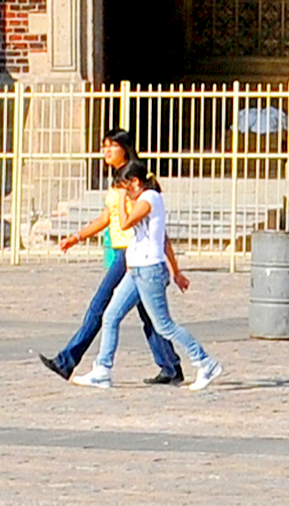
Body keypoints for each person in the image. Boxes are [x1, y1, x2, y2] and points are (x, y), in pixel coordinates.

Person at [43, 132, 183, 385]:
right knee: (150, 315)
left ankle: (68, 361)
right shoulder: (119, 181)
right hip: (124, 252)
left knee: (101, 306)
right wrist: (78, 236)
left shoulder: (134, 183)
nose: (105, 151)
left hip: (130, 253)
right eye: (103, 146)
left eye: (112, 147)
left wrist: (174, 268)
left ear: (125, 149)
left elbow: (152, 227)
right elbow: (107, 217)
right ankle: (171, 366)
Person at [73, 155, 216, 392]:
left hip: (150, 271)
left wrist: (119, 201)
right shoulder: (144, 199)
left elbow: (126, 222)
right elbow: (161, 239)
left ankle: (205, 362)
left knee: (163, 326)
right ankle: (102, 369)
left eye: (125, 187)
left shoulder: (150, 198)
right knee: (111, 316)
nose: (124, 193)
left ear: (136, 182)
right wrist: (176, 271)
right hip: (136, 269)